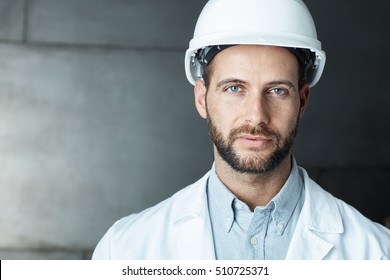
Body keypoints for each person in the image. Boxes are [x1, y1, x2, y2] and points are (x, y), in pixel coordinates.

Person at [92, 0, 390, 259]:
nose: (256, 115)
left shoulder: (377, 253)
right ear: (202, 99)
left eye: (276, 90)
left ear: (302, 100)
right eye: (235, 88)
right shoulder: (125, 249)